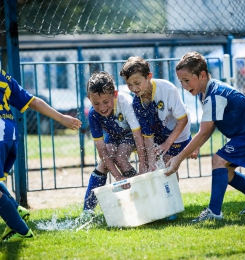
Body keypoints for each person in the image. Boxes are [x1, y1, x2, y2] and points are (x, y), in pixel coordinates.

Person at [165, 51, 245, 222]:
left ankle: (214, 212)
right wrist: (197, 146)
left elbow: (204, 131)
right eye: (181, 82)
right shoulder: (208, 91)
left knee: (219, 160)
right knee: (226, 169)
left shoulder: (214, 94)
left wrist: (179, 158)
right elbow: (210, 127)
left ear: (202, 75)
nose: (185, 86)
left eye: (187, 80)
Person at [0, 69, 82, 242]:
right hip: (9, 133)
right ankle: (15, 208)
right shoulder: (4, 76)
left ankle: (20, 230)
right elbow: (33, 101)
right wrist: (61, 118)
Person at [119, 56, 198, 174]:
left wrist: (167, 144)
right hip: (160, 132)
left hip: (178, 131)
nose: (134, 88)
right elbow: (147, 134)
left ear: (149, 76)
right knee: (155, 164)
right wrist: (150, 163)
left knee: (168, 165)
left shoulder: (167, 89)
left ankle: (191, 144)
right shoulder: (137, 103)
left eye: (137, 83)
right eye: (129, 85)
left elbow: (183, 119)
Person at [83, 71, 146, 212]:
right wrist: (117, 177)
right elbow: (101, 149)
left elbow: (137, 135)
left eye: (106, 102)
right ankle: (87, 210)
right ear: (89, 99)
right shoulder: (94, 114)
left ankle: (142, 193)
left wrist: (142, 168)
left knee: (121, 158)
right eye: (96, 103)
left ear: (115, 94)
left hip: (133, 134)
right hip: (114, 136)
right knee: (104, 163)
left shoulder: (126, 103)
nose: (102, 107)